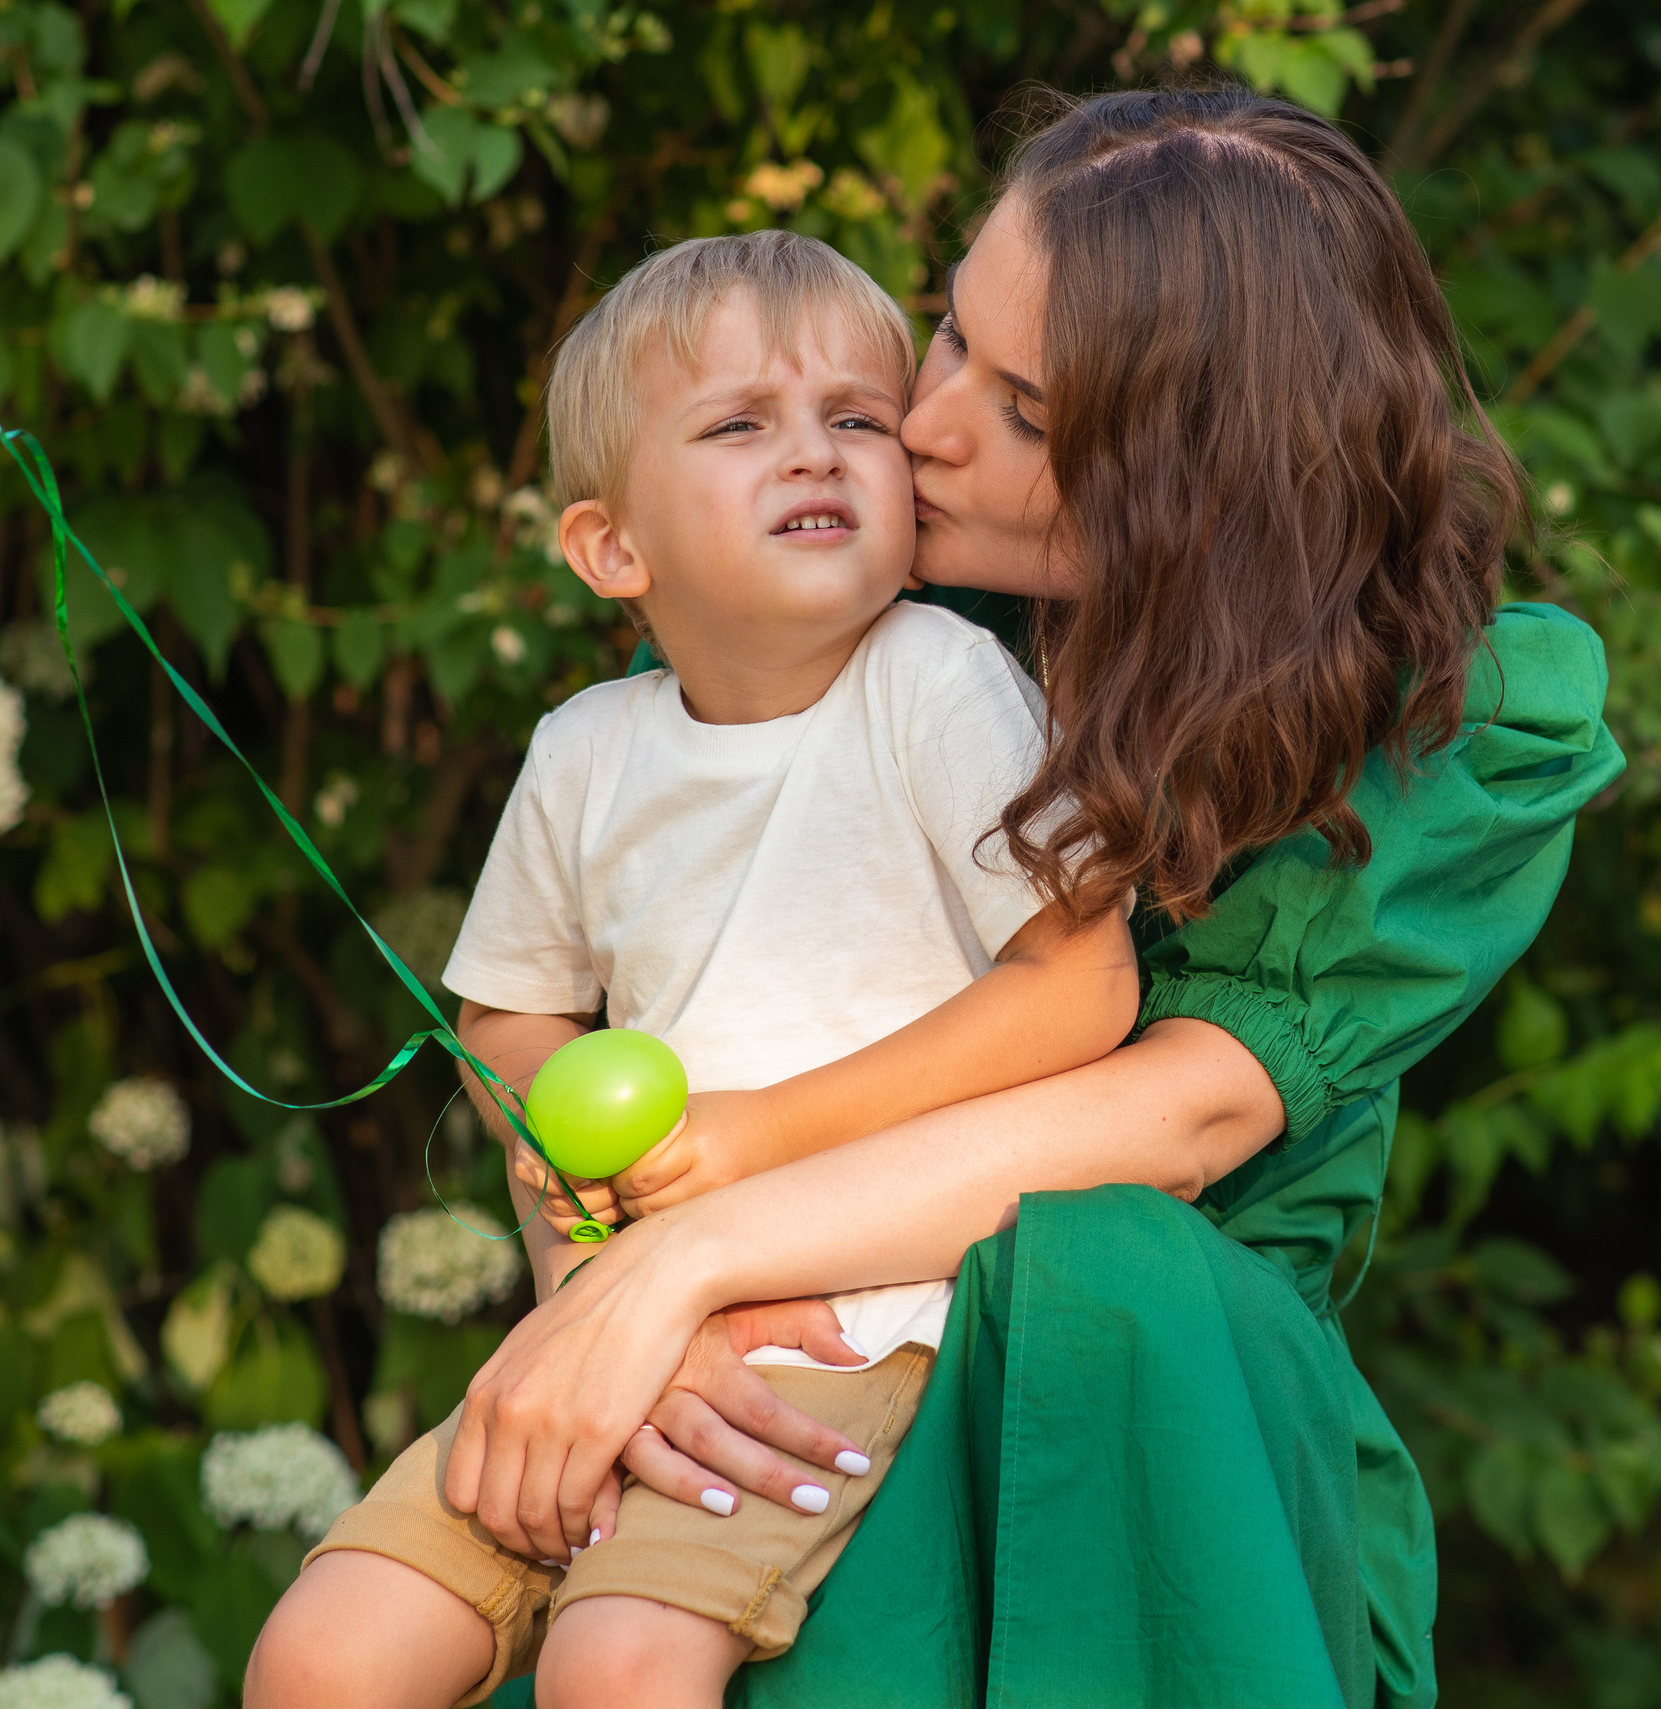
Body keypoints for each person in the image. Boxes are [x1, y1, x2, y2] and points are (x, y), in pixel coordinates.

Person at [285, 80, 1624, 1709]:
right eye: (947, 340)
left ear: (1194, 482)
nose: (919, 428)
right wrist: (617, 1308)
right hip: (775, 1359)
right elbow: (574, 1017)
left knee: (1123, 1269)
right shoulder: (849, 636)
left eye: (1030, 414)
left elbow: (1170, 1118)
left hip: (1136, 1427)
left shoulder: (1452, 732)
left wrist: (687, 1259)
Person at [246, 231, 1138, 1709]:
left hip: (836, 1316)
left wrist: (741, 1144)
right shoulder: (586, 750)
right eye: (740, 425)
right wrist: (571, 1183)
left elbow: (1081, 984)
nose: (818, 454)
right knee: (320, 1654)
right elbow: (508, 1012)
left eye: (857, 417)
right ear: (612, 549)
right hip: (608, 1312)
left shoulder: (933, 681)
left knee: (620, 1665)